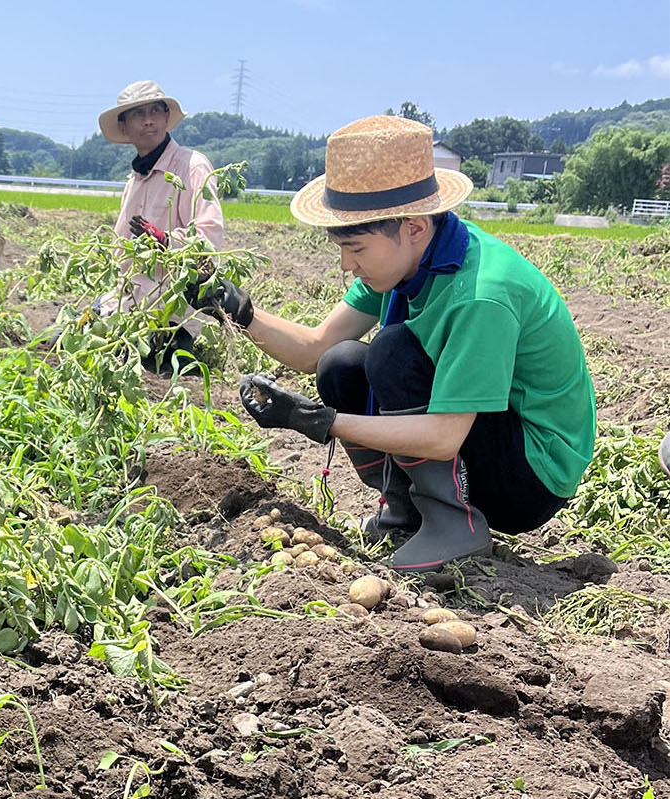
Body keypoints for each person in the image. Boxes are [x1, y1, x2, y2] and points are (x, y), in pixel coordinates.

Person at [193, 115, 595, 571]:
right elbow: (315, 348)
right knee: (341, 364)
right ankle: (407, 508)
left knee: (392, 351)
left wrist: (320, 421)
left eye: (357, 248)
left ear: (415, 227)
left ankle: (452, 521)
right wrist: (238, 311)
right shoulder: (405, 263)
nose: (347, 264)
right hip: (482, 438)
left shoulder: (483, 293)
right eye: (341, 247)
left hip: (530, 474)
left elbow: (444, 437)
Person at [95, 81, 224, 367]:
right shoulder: (134, 181)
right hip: (126, 305)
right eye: (138, 114)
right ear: (124, 126)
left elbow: (209, 238)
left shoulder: (192, 166)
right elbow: (121, 252)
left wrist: (165, 239)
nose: (149, 120)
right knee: (66, 343)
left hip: (171, 315)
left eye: (156, 111)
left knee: (156, 370)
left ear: (167, 118)